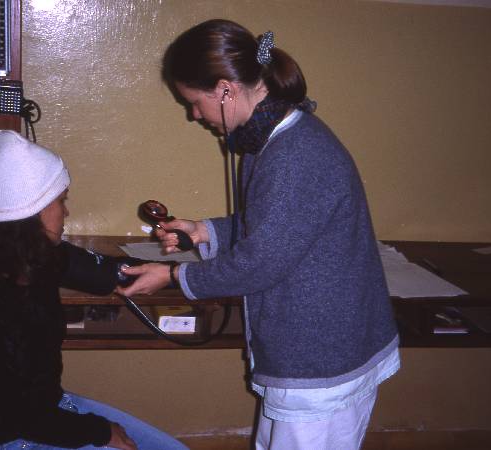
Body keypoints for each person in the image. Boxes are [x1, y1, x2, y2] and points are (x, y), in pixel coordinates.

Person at [118, 19, 401, 450]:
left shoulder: (294, 153)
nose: (195, 115)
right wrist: (203, 230)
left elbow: (260, 263)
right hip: (311, 347)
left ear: (225, 90)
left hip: (322, 357)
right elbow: (277, 225)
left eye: (194, 102)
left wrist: (173, 276)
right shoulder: (271, 137)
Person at [0, 129, 188, 450]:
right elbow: (17, 414)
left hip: (44, 411)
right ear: (35, 208)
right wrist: (99, 431)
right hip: (11, 437)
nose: (67, 211)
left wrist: (174, 273)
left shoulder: (27, 253)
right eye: (61, 201)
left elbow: (97, 269)